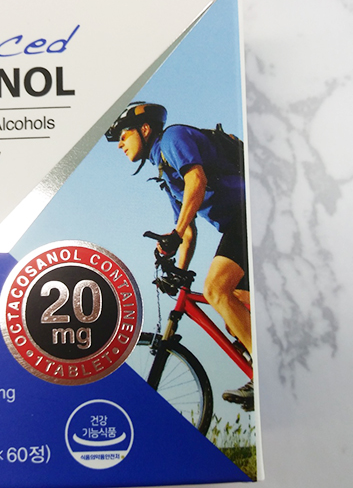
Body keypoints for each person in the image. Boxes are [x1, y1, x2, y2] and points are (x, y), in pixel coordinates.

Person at [105, 102, 253, 410]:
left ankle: (268, 373)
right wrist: (178, 270)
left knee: (215, 290)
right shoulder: (164, 171)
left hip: (251, 212)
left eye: (124, 135)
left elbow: (196, 180)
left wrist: (177, 232)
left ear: (145, 129)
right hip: (240, 224)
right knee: (236, 315)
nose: (120, 144)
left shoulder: (173, 139)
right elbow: (186, 232)